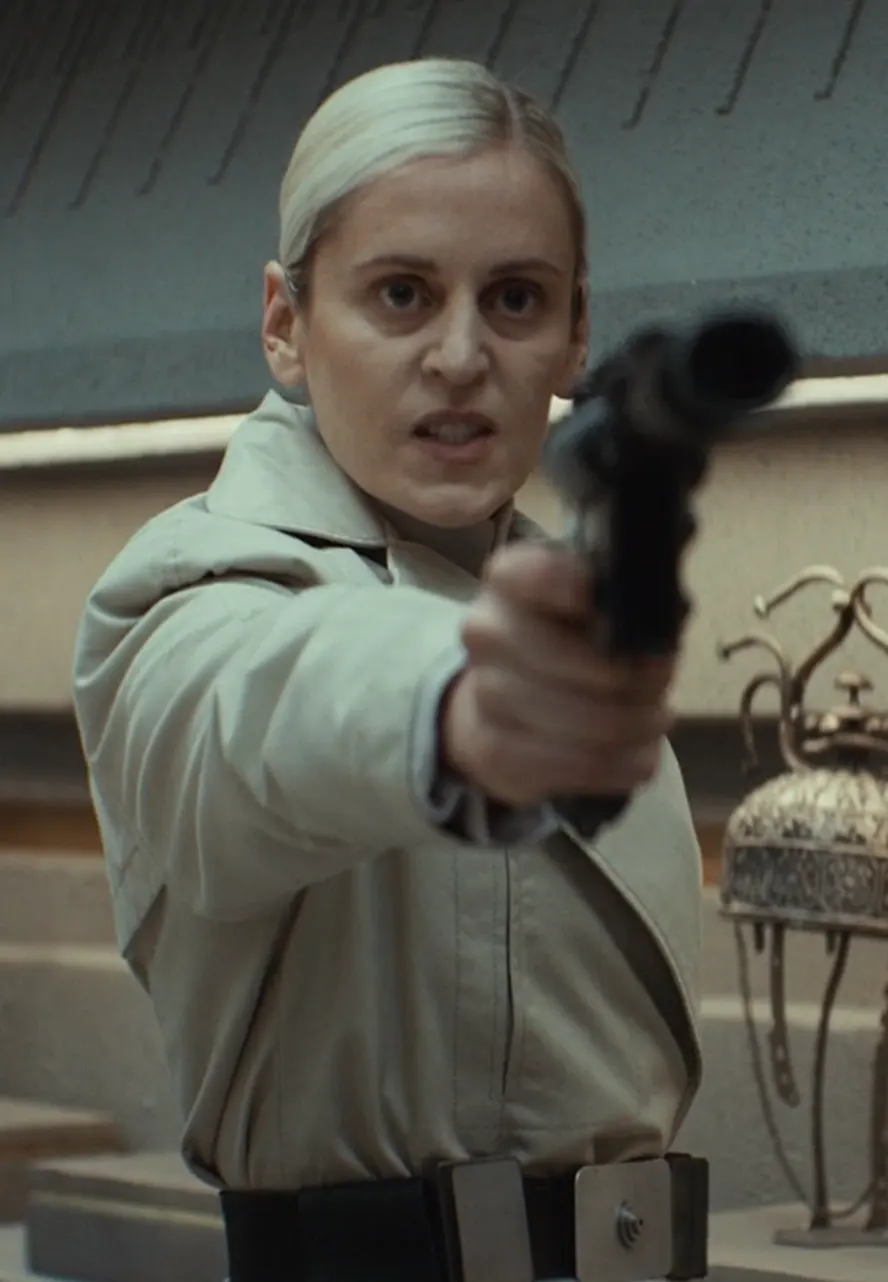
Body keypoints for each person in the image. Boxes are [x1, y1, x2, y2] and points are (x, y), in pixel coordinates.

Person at [72, 57, 706, 1282]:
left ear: (577, 331)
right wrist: (449, 705)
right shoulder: (185, 593)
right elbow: (265, 718)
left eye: (515, 299)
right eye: (403, 294)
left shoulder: (565, 606)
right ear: (285, 323)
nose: (461, 354)